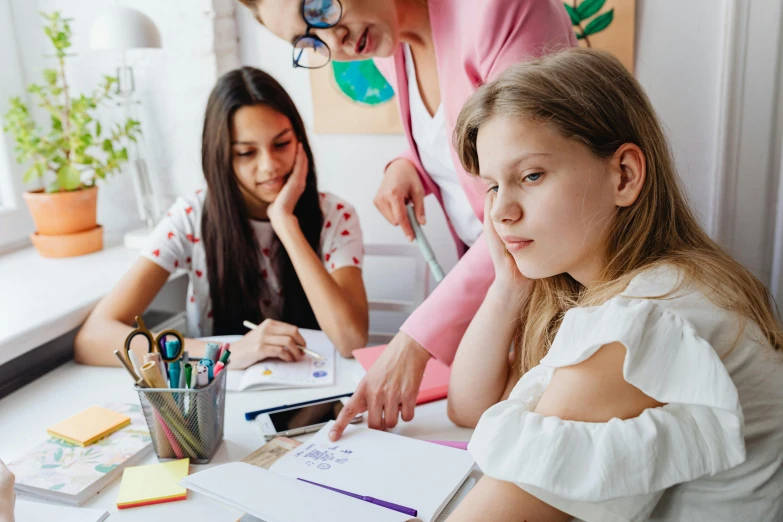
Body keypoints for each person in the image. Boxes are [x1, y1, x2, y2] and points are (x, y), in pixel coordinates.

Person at [444, 48, 783, 521]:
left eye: (532, 175)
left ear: (624, 175)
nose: (501, 212)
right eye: (493, 186)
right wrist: (507, 285)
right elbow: (469, 407)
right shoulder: (650, 285)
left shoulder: (638, 326)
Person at [237, 0, 577, 439]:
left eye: (318, 7)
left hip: (565, 289)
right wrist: (408, 163)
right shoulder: (391, 47)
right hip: (508, 291)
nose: (332, 41)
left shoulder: (501, 10)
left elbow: (529, 188)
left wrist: (415, 341)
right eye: (308, 39)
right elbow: (459, 140)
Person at [75, 67, 369, 368]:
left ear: (300, 142)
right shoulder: (192, 217)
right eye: (246, 153)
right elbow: (93, 338)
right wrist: (226, 352)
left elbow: (351, 339)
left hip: (315, 399)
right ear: (221, 157)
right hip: (222, 402)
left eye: (281, 144)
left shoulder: (335, 215)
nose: (269, 166)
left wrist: (284, 223)